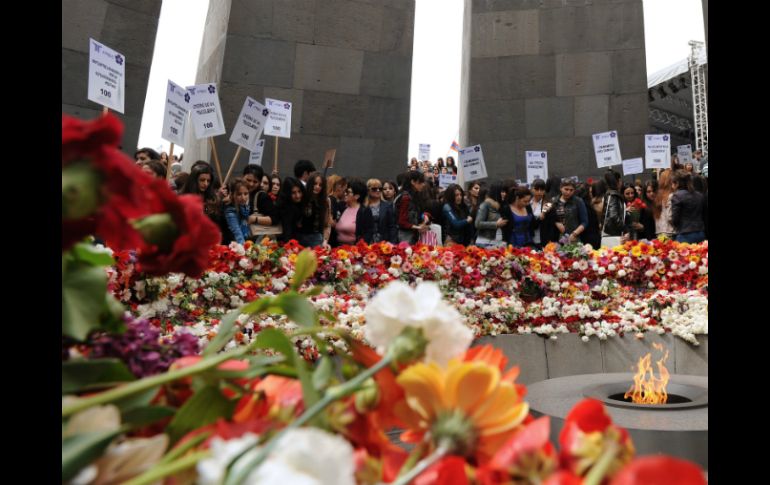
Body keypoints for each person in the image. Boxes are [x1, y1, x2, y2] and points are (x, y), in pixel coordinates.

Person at [395, 171, 430, 244]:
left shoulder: (413, 196)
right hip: (405, 237)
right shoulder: (406, 197)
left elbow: (415, 213)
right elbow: (402, 221)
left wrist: (424, 216)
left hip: (411, 235)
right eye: (421, 182)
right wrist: (418, 227)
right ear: (413, 182)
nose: (423, 184)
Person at [670, 171, 706, 243]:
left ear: (677, 183)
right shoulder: (699, 195)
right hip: (700, 232)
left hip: (684, 234)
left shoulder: (677, 196)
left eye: (672, 183)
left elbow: (675, 218)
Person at [297, 172, 331, 248]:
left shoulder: (325, 201)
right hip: (299, 236)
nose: (317, 187)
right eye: (315, 184)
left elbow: (327, 224)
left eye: (320, 185)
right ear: (310, 184)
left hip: (316, 238)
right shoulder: (302, 197)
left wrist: (325, 241)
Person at [336, 179, 374, 244]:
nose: (345, 193)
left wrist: (359, 248)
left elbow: (368, 232)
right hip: (338, 248)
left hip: (354, 250)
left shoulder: (364, 211)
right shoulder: (342, 207)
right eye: (345, 191)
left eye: (348, 192)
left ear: (356, 196)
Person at [551, 179, 588, 244]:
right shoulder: (554, 201)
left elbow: (584, 222)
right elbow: (549, 219)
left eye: (571, 190)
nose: (568, 192)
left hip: (573, 238)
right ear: (560, 188)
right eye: (566, 189)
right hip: (556, 239)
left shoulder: (578, 201)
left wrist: (574, 234)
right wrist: (556, 222)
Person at [474, 181, 508, 248]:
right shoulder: (485, 204)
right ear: (496, 192)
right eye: (502, 192)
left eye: (505, 192)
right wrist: (496, 224)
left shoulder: (503, 205)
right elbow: (477, 223)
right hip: (485, 241)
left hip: (499, 241)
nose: (504, 194)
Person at [365, 178, 398, 243]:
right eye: (374, 189)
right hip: (367, 242)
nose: (378, 190)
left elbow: (392, 226)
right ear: (368, 190)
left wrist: (392, 243)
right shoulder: (363, 207)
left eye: (380, 189)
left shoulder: (388, 206)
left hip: (384, 243)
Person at [275, 177, 305, 243]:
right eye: (293, 193)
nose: (298, 196)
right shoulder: (285, 207)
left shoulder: (301, 203)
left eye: (299, 191)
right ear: (288, 194)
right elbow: (287, 231)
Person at [224, 178, 251, 245]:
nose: (243, 197)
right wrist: (245, 249)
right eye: (239, 194)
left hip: (242, 242)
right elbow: (237, 233)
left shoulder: (244, 207)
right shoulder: (230, 211)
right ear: (232, 194)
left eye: (246, 194)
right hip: (233, 246)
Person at [653, 169, 675, 239]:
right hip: (670, 232)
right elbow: (670, 217)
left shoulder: (657, 196)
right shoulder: (671, 196)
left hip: (659, 232)